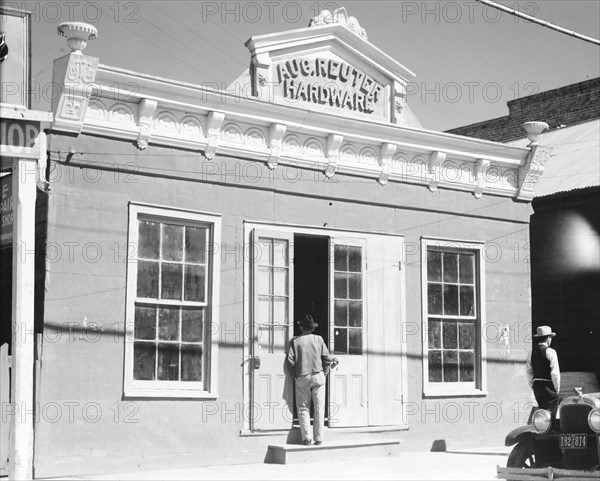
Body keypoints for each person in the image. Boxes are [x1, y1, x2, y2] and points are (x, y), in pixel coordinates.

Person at [286, 314, 334, 446]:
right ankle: (319, 438)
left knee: (303, 408)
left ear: (301, 327)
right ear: (312, 328)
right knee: (319, 407)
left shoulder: (295, 341)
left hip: (302, 376)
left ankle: (307, 438)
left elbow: (290, 362)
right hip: (318, 375)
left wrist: (295, 375)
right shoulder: (319, 339)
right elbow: (327, 359)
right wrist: (325, 373)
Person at [526, 325, 561, 412]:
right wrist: (556, 389)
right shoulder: (551, 352)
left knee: (543, 412)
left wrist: (533, 385)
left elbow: (529, 371)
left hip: (537, 387)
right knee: (550, 415)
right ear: (549, 338)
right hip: (548, 387)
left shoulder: (531, 353)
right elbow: (555, 373)